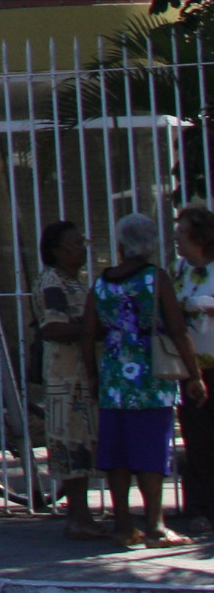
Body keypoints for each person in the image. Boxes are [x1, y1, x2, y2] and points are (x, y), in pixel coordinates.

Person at [90, 212, 208, 547]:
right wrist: (194, 374)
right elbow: (176, 327)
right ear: (151, 244)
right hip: (150, 374)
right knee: (151, 448)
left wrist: (93, 374)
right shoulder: (155, 278)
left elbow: (90, 329)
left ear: (121, 243)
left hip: (114, 373)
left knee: (117, 452)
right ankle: (155, 525)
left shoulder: (103, 281)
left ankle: (124, 524)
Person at [34, 218, 103, 540]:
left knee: (84, 444)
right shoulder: (53, 281)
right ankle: (78, 516)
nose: (82, 250)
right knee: (71, 445)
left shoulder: (79, 282)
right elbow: (52, 326)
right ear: (58, 251)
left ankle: (82, 514)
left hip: (81, 374)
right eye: (76, 244)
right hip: (65, 377)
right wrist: (90, 328)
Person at [175, 206, 214, 536]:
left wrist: (205, 304)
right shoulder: (178, 271)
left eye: (182, 230)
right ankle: (201, 508)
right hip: (191, 368)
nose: (177, 236)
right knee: (198, 439)